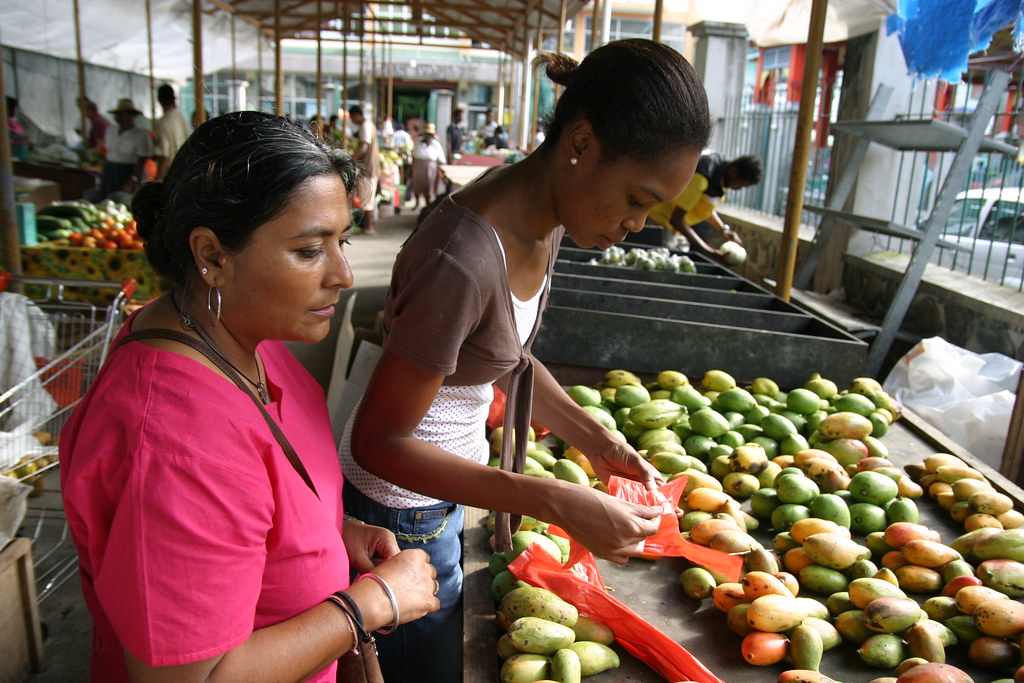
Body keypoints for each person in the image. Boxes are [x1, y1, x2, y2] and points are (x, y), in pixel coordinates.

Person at [339, 38, 712, 683]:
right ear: (582, 143)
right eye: (635, 198)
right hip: (400, 511)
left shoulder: (548, 218)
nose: (639, 225)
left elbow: (507, 353)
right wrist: (556, 499)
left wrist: (596, 439)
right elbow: (380, 441)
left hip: (443, 490)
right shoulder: (462, 258)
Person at [60, 111, 440, 683]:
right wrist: (373, 604)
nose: (342, 273)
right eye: (310, 250)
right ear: (212, 255)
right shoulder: (177, 444)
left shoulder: (235, 335)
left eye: (344, 240)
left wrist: (329, 539)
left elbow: (244, 515)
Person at [648, 152, 763, 260]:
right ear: (734, 171)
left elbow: (705, 208)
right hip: (661, 222)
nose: (738, 189)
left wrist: (723, 229)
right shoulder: (702, 178)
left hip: (676, 228)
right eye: (740, 185)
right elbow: (676, 219)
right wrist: (710, 251)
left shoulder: (721, 179)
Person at [89, 98, 153, 201]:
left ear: (133, 116)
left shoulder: (141, 135)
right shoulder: (111, 131)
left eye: (127, 115)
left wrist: (132, 181)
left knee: (126, 201)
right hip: (110, 171)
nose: (123, 118)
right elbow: (107, 152)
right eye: (120, 115)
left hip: (129, 171)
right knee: (106, 201)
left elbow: (142, 161)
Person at [348, 104, 380, 236]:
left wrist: (351, 159)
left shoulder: (365, 125)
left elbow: (364, 147)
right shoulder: (369, 124)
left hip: (368, 167)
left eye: (351, 117)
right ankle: (368, 226)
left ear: (356, 115)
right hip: (369, 166)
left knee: (367, 198)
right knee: (367, 197)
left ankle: (369, 227)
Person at [152, 84, 190, 182]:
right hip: (184, 170)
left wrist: (158, 178)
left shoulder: (162, 123)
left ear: (159, 100)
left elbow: (164, 156)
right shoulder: (181, 118)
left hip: (170, 174)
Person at [410, 122, 447, 210]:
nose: (428, 136)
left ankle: (428, 204)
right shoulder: (418, 142)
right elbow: (414, 155)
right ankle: (417, 202)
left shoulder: (435, 144)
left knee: (429, 186)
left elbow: (441, 159)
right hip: (419, 166)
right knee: (417, 185)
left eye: (430, 134)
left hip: (431, 167)